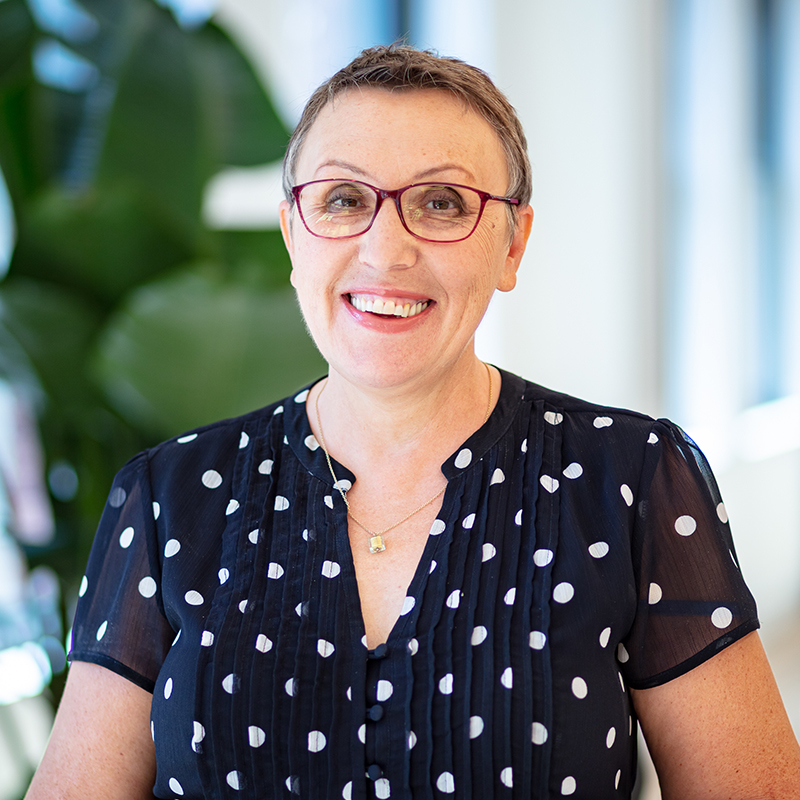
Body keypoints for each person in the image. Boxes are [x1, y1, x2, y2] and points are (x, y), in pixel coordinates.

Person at [26, 45, 800, 800]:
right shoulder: (169, 498)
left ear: (512, 244)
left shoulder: (630, 483)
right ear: (294, 235)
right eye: (342, 199)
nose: (386, 249)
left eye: (442, 203)